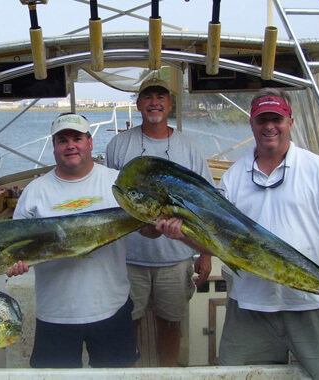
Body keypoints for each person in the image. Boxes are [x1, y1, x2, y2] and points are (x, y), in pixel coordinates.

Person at [157, 88, 319, 380]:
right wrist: (182, 233)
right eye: (262, 120)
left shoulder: (318, 169)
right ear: (251, 124)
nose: (269, 126)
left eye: (276, 118)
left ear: (290, 122)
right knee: (236, 375)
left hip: (310, 304)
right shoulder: (235, 176)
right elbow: (214, 240)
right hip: (249, 306)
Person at [7, 112, 139, 368]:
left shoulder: (118, 182)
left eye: (77, 138)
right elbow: (17, 247)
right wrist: (14, 263)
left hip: (111, 307)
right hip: (56, 313)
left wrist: (165, 224)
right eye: (62, 140)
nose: (70, 145)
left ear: (90, 142)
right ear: (54, 147)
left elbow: (149, 230)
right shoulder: (35, 191)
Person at [105, 77, 214, 367]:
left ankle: (168, 372)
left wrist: (204, 252)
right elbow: (108, 200)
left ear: (170, 104)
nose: (155, 102)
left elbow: (206, 202)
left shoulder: (189, 147)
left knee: (170, 326)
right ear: (139, 103)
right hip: (128, 259)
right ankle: (131, 372)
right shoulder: (118, 145)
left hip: (176, 259)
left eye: (161, 97)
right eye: (148, 97)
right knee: (129, 325)